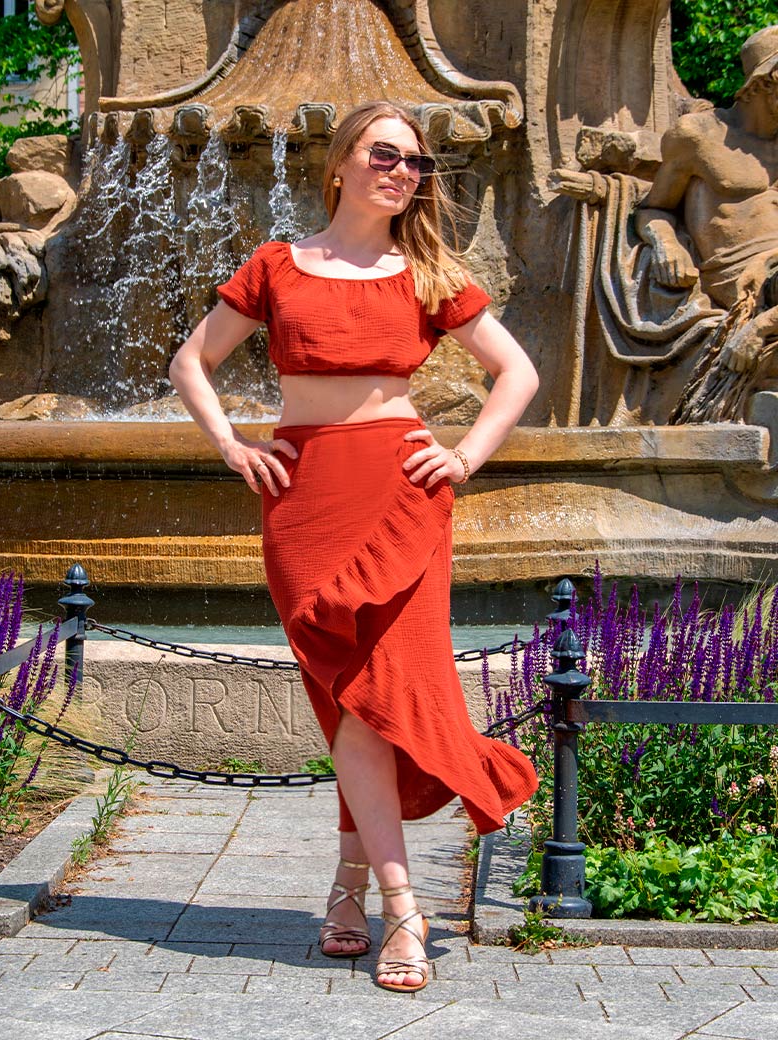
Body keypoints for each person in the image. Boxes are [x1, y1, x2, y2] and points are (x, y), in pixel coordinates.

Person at [169, 100, 539, 994]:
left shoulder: (429, 272)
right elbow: (191, 361)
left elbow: (516, 372)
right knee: (345, 699)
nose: (402, 172)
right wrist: (233, 446)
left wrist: (463, 457)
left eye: (415, 162)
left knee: (378, 698)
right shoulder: (275, 264)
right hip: (304, 501)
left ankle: (394, 905)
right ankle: (351, 886)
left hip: (402, 495)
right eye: (385, 154)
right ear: (339, 163)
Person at [634, 25, 778, 374]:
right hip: (745, 277)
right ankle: (761, 325)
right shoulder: (698, 135)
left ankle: (762, 327)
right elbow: (653, 209)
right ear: (766, 83)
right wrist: (667, 244)